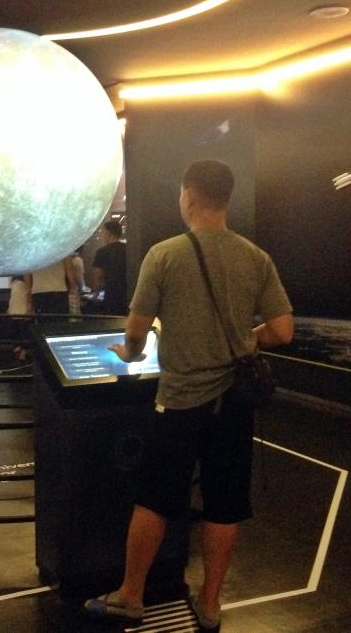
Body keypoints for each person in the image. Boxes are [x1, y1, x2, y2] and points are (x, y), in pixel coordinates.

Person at [83, 160, 294, 632]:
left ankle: (130, 596)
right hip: (234, 404)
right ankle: (211, 606)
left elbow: (136, 332)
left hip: (179, 401)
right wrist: (247, 338)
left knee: (154, 499)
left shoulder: (164, 255)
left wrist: (128, 353)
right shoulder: (256, 257)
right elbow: (283, 330)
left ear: (189, 197)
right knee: (224, 504)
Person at [90, 220, 128, 315]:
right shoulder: (128, 249)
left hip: (111, 294)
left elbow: (98, 276)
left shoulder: (102, 252)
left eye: (103, 232)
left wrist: (96, 294)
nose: (102, 235)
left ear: (108, 233)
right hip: (128, 293)